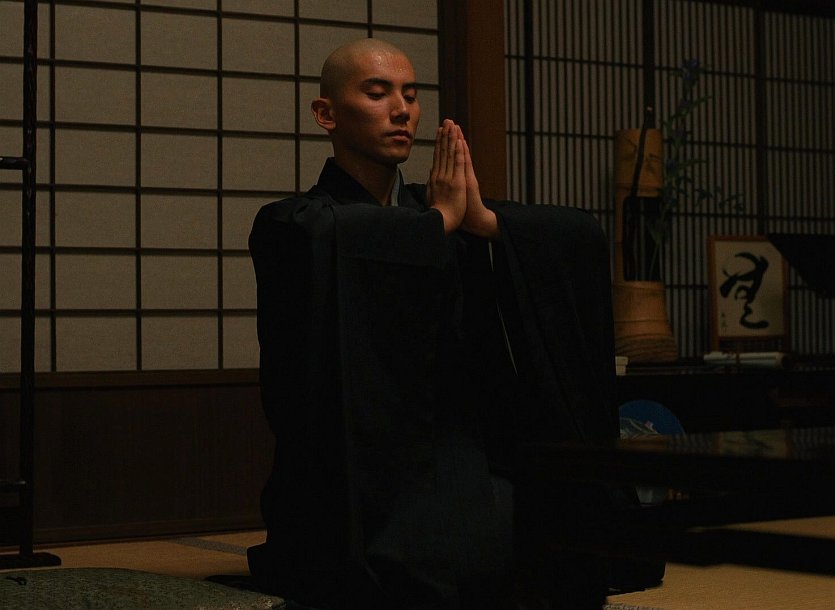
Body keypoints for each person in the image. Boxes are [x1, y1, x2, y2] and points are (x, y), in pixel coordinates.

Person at [247, 38, 621, 609]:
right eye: (378, 93)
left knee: (558, 543)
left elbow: (578, 235)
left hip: (453, 452)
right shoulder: (295, 225)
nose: (402, 110)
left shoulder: (439, 211)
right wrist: (437, 223)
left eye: (411, 94)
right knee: (428, 571)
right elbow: (346, 253)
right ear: (326, 113)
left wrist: (488, 223)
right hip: (347, 468)